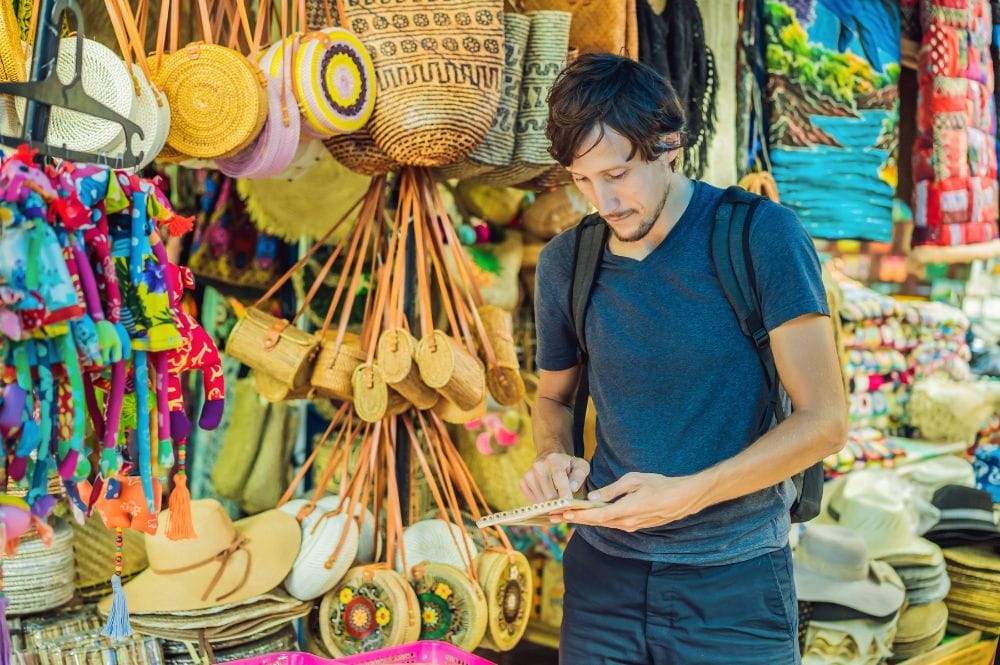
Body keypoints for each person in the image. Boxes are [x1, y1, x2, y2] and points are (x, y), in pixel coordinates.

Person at [522, 53, 847, 664]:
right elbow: (553, 397)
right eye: (582, 180)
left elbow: (825, 420)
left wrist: (691, 493)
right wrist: (553, 456)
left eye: (618, 173)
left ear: (668, 145)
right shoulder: (565, 261)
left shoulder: (763, 237)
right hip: (602, 584)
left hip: (735, 583)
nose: (604, 201)